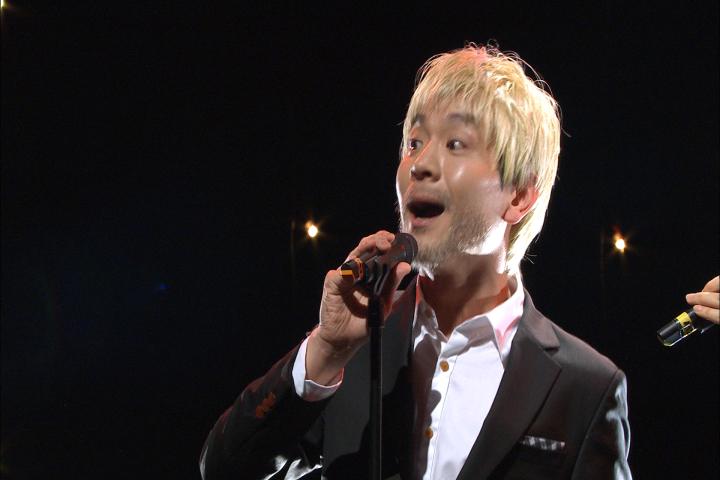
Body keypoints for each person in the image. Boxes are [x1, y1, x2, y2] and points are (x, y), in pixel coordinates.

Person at [199, 45, 632, 479]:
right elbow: (223, 469)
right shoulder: (356, 349)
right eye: (414, 142)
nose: (420, 165)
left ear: (519, 195)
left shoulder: (585, 387)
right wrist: (326, 351)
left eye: (456, 143)